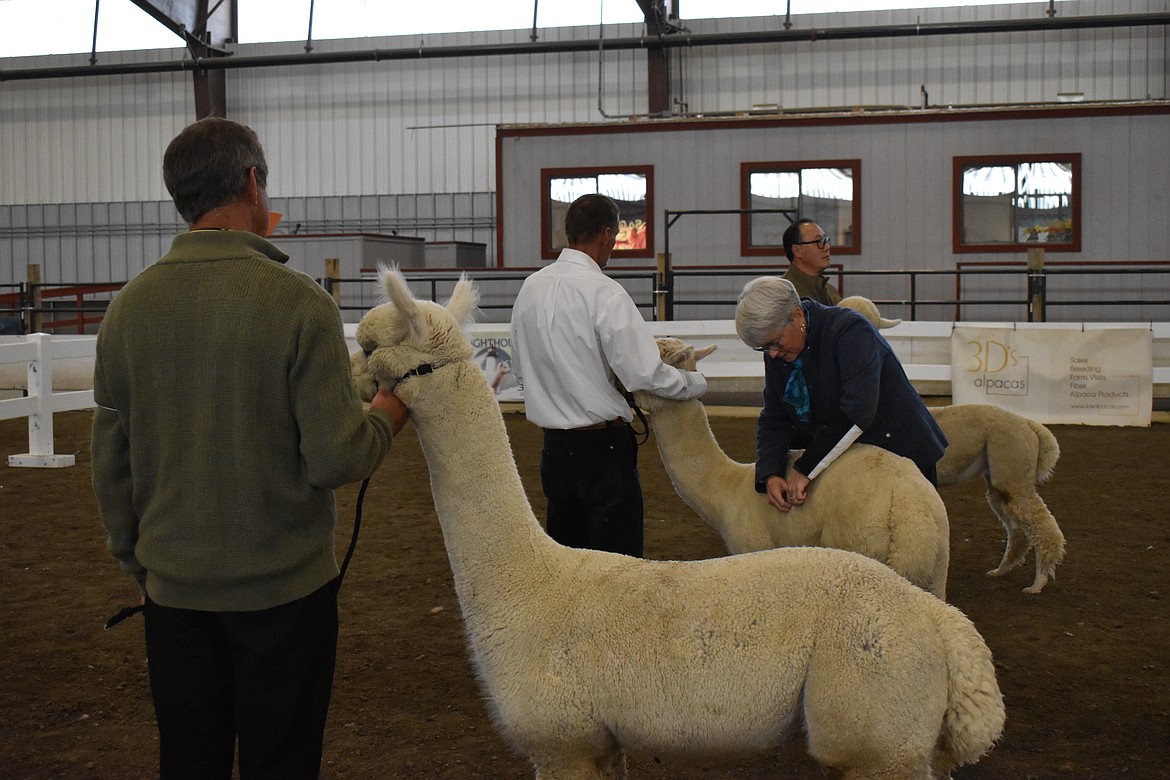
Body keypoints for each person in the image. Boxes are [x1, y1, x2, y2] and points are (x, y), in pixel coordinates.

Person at [91, 116, 409, 780]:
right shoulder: (300, 305)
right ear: (252, 182)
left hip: (174, 594)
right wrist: (387, 411)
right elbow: (335, 457)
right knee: (282, 760)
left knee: (190, 759)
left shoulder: (128, 308)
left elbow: (111, 462)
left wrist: (140, 566)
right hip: (283, 597)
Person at [510, 193, 707, 557]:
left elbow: (521, 370)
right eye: (614, 238)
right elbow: (643, 374)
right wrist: (693, 383)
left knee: (567, 564)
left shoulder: (530, 289)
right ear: (605, 234)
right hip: (602, 450)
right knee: (619, 566)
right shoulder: (605, 293)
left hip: (555, 450)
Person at [735, 276, 946, 515]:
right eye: (763, 348)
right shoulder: (780, 352)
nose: (771, 354)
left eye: (774, 343)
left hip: (901, 454)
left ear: (796, 317)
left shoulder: (850, 330)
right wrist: (770, 472)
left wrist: (806, 467)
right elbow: (774, 416)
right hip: (852, 466)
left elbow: (856, 413)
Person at [781, 218, 842, 305]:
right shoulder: (784, 294)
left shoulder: (830, 291)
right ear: (797, 250)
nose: (827, 247)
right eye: (818, 241)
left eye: (825, 240)